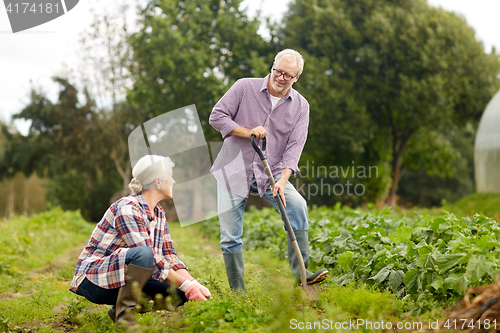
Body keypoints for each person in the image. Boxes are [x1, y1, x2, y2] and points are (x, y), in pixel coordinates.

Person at [209, 48, 328, 292]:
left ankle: (302, 272)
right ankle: (238, 292)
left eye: (288, 75)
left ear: (297, 78)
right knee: (231, 235)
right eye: (278, 71)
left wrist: (283, 180)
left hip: (270, 172)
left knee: (297, 206)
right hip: (233, 169)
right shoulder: (244, 87)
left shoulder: (301, 106)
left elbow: (295, 147)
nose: (281, 77)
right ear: (272, 67)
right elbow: (217, 116)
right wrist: (247, 131)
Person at [69, 155, 211, 328]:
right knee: (145, 254)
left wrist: (193, 285)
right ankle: (125, 318)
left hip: (120, 277)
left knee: (179, 293)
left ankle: (118, 308)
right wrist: (187, 285)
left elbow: (169, 256)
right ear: (158, 181)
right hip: (94, 279)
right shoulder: (127, 208)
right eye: (170, 176)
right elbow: (147, 255)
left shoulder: (158, 214)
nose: (173, 181)